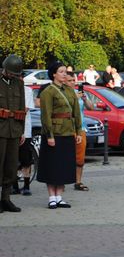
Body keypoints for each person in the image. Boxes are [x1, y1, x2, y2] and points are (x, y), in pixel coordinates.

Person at [38, 61, 82, 209]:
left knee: (63, 166)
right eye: (61, 71)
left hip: (68, 132)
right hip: (54, 133)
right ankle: (51, 196)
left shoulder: (70, 91)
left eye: (65, 71)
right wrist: (49, 135)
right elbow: (46, 116)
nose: (65, 74)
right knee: (52, 166)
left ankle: (59, 196)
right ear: (54, 74)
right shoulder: (48, 92)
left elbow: (76, 112)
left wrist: (78, 130)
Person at [0, 54, 26, 213]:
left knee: (11, 166)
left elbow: (22, 108)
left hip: (14, 130)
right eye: (10, 73)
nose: (12, 76)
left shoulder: (19, 84)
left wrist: (21, 130)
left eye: (15, 74)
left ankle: (6, 198)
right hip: (0, 130)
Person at [68, 71, 93, 191]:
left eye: (74, 80)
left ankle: (78, 182)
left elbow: (91, 107)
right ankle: (62, 180)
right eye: (70, 80)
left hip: (81, 128)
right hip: (67, 128)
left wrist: (84, 98)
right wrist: (74, 99)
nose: (73, 83)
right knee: (65, 156)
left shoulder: (79, 93)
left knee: (80, 157)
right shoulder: (62, 93)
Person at [12, 82, 35, 196]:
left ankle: (26, 186)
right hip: (10, 130)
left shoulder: (27, 91)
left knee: (26, 160)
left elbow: (24, 110)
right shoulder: (8, 89)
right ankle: (14, 186)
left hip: (25, 130)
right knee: (12, 160)